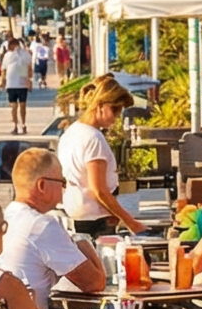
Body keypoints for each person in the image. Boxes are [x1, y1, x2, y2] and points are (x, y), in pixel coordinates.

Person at [0, 144, 108, 300]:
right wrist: (81, 241)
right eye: (61, 182)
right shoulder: (41, 225)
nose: (64, 189)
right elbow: (94, 283)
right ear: (42, 185)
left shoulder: (5, 217)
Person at [61, 75, 146, 237]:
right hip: (96, 218)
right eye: (114, 109)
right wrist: (131, 222)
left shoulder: (71, 133)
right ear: (99, 105)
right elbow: (99, 190)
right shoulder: (94, 139)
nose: (116, 116)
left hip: (78, 211)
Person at [1, 38, 35, 132]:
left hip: (22, 83)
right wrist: (2, 81)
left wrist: (29, 80)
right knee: (13, 106)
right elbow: (4, 68)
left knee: (23, 105)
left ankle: (23, 124)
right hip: (11, 83)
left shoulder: (25, 55)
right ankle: (15, 125)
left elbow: (29, 67)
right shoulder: (8, 55)